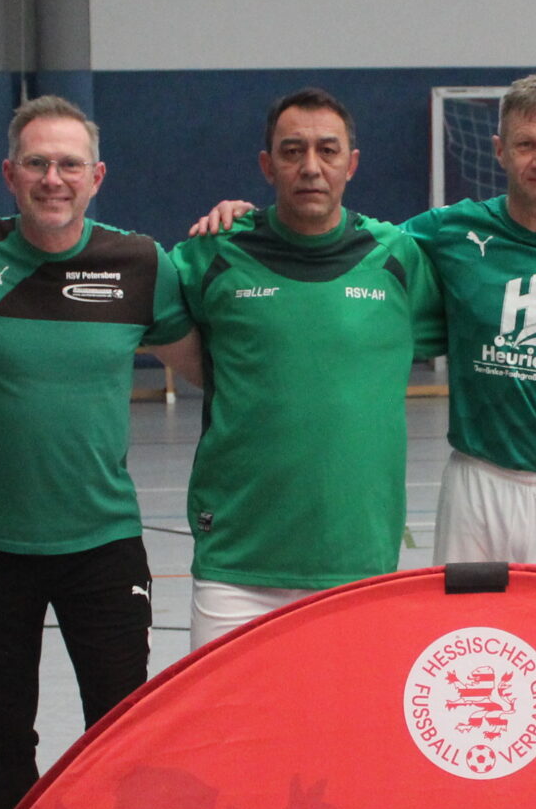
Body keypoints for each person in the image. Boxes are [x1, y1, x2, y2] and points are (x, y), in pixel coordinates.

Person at [190, 71, 536, 569]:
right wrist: (249, 220)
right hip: (477, 480)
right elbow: (344, 242)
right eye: (525, 144)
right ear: (498, 150)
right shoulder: (449, 230)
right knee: (466, 618)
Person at [0, 96, 198, 809]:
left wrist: (239, 232)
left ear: (97, 177)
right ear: (10, 173)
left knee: (119, 731)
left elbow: (216, 370)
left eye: (70, 164)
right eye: (38, 163)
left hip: (102, 546)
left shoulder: (139, 264)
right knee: (2, 731)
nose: (54, 178)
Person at [171, 89, 445, 647]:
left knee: (350, 707)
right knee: (231, 708)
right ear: (267, 165)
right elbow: (146, 320)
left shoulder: (399, 258)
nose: (311, 167)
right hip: (236, 566)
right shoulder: (212, 253)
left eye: (328, 150)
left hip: (358, 563)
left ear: (352, 163)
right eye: (292, 151)